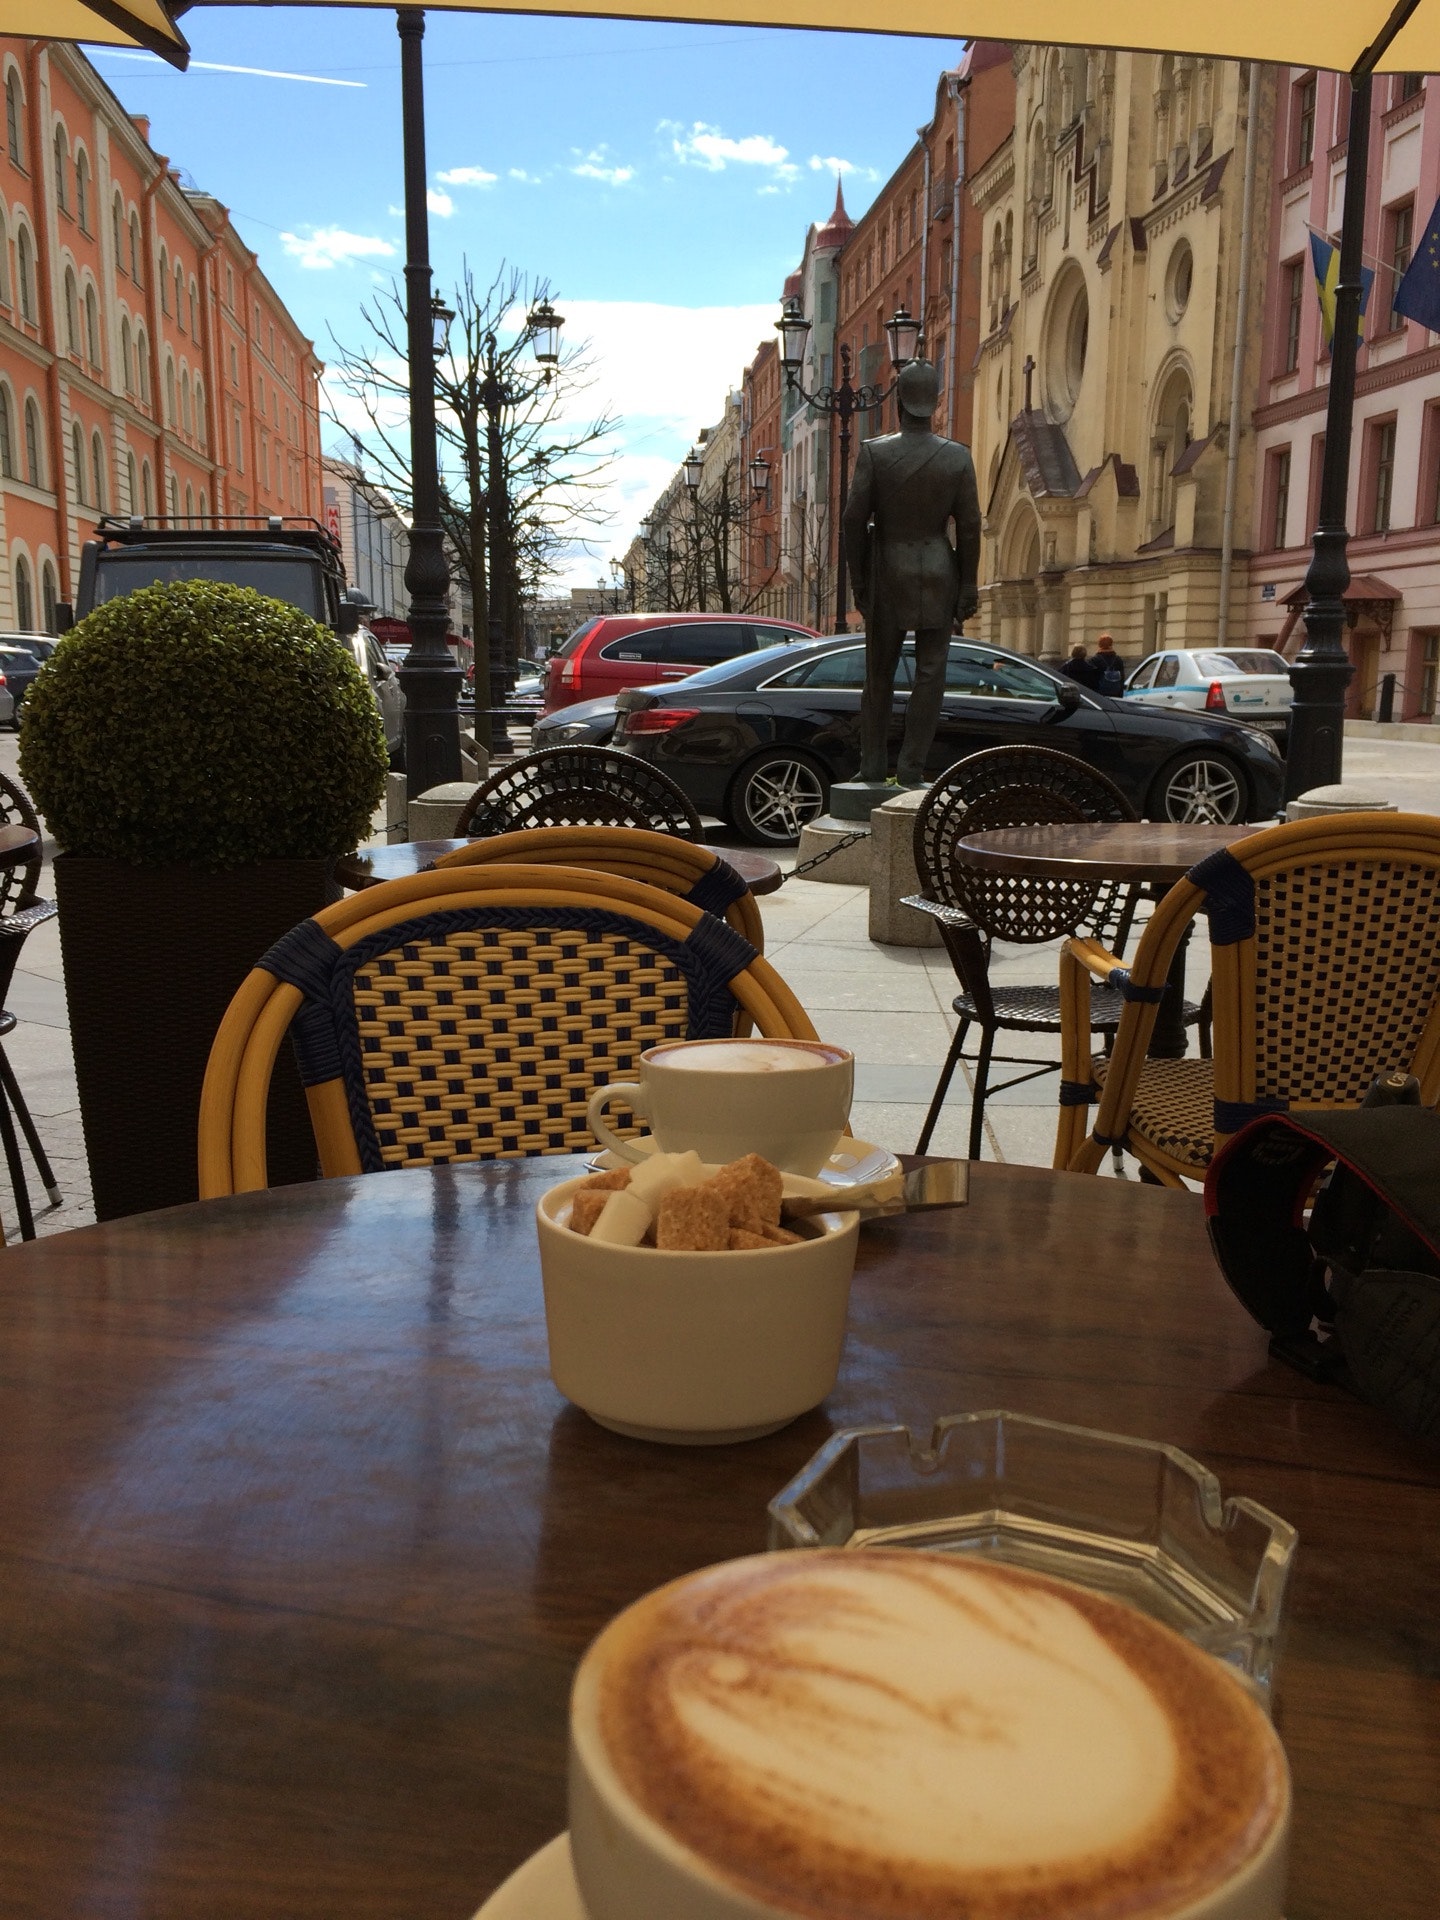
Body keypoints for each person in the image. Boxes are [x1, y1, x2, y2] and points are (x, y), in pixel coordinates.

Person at [842, 360, 981, 786]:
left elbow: (853, 520)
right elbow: (970, 526)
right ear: (935, 403)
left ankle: (872, 766)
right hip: (939, 570)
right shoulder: (958, 457)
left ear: (898, 402)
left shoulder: (874, 452)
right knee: (930, 674)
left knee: (879, 675)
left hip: (888, 571)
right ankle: (911, 769)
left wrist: (859, 580)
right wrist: (968, 583)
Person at [1088, 631, 1126, 698]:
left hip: (1100, 695)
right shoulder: (1118, 659)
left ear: (1099, 645)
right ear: (1111, 644)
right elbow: (1122, 678)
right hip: (1116, 694)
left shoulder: (1094, 660)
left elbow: (1091, 680)